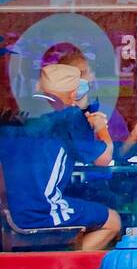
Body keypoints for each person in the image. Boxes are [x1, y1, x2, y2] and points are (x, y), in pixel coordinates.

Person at [0, 63, 121, 250]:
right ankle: (70, 266)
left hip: (10, 212)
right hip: (41, 209)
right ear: (73, 93)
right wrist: (101, 128)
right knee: (113, 220)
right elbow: (103, 159)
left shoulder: (21, 113)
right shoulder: (70, 117)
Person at [37, 49, 137, 158]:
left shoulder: (108, 113)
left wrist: (135, 134)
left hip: (100, 184)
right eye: (71, 75)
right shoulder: (48, 117)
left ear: (92, 77)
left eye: (81, 73)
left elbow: (118, 156)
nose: (76, 79)